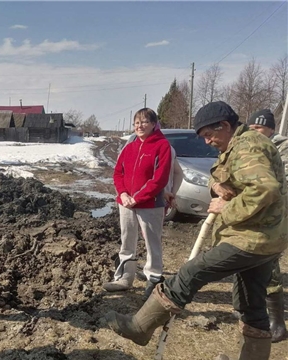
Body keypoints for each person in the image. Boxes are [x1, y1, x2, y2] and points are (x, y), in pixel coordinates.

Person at [106, 101, 287, 360]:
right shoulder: (236, 145)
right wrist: (218, 187)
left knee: (192, 272)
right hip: (265, 237)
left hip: (252, 237)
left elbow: (264, 190)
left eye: (209, 135)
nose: (207, 142)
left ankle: (141, 327)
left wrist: (227, 207)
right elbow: (222, 176)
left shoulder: (249, 146)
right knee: (252, 305)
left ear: (224, 125)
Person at [104, 108, 172, 300]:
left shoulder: (162, 146)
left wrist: (139, 197)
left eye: (144, 122)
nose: (139, 126)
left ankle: (154, 279)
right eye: (136, 123)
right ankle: (125, 277)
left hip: (150, 204)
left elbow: (160, 179)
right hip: (126, 203)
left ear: (153, 124)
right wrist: (124, 194)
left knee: (152, 242)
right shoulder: (130, 147)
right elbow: (118, 173)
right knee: (127, 240)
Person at [246, 108, 288, 343]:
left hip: (275, 218)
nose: (255, 132)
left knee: (269, 265)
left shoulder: (282, 148)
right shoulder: (252, 149)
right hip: (256, 215)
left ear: (271, 129)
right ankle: (253, 311)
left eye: (260, 128)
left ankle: (277, 323)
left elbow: (279, 184)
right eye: (252, 128)